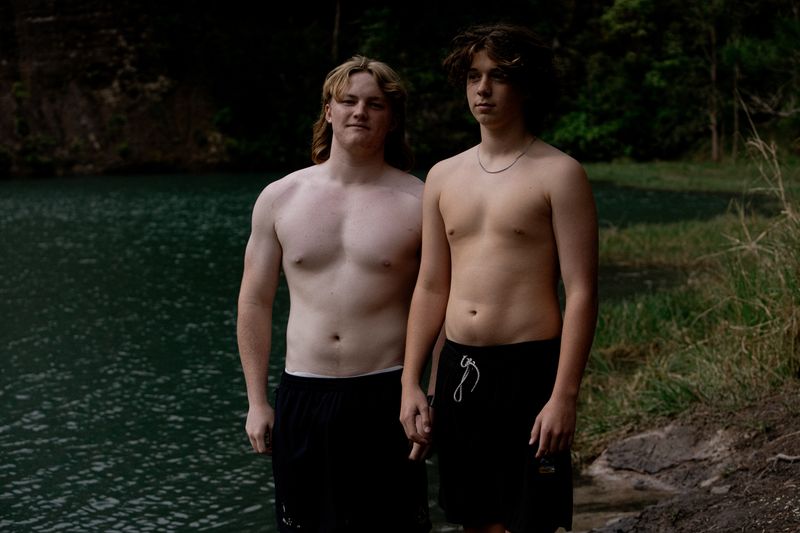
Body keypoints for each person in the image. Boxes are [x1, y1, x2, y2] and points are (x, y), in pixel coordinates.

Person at [400, 23, 599, 533]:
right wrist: (412, 382)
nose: (482, 89)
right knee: (474, 518)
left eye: (497, 77)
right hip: (461, 369)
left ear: (525, 85)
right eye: (472, 76)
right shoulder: (443, 176)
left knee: (530, 519)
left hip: (528, 368)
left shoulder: (559, 173)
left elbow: (580, 291)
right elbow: (430, 285)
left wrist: (564, 396)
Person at [237, 55, 430, 533]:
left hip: (386, 395)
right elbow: (254, 302)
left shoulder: (421, 200)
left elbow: (439, 303)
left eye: (374, 104)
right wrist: (257, 401)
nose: (359, 112)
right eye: (347, 101)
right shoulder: (280, 197)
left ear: (392, 117)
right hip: (303, 394)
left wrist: (430, 392)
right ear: (328, 110)